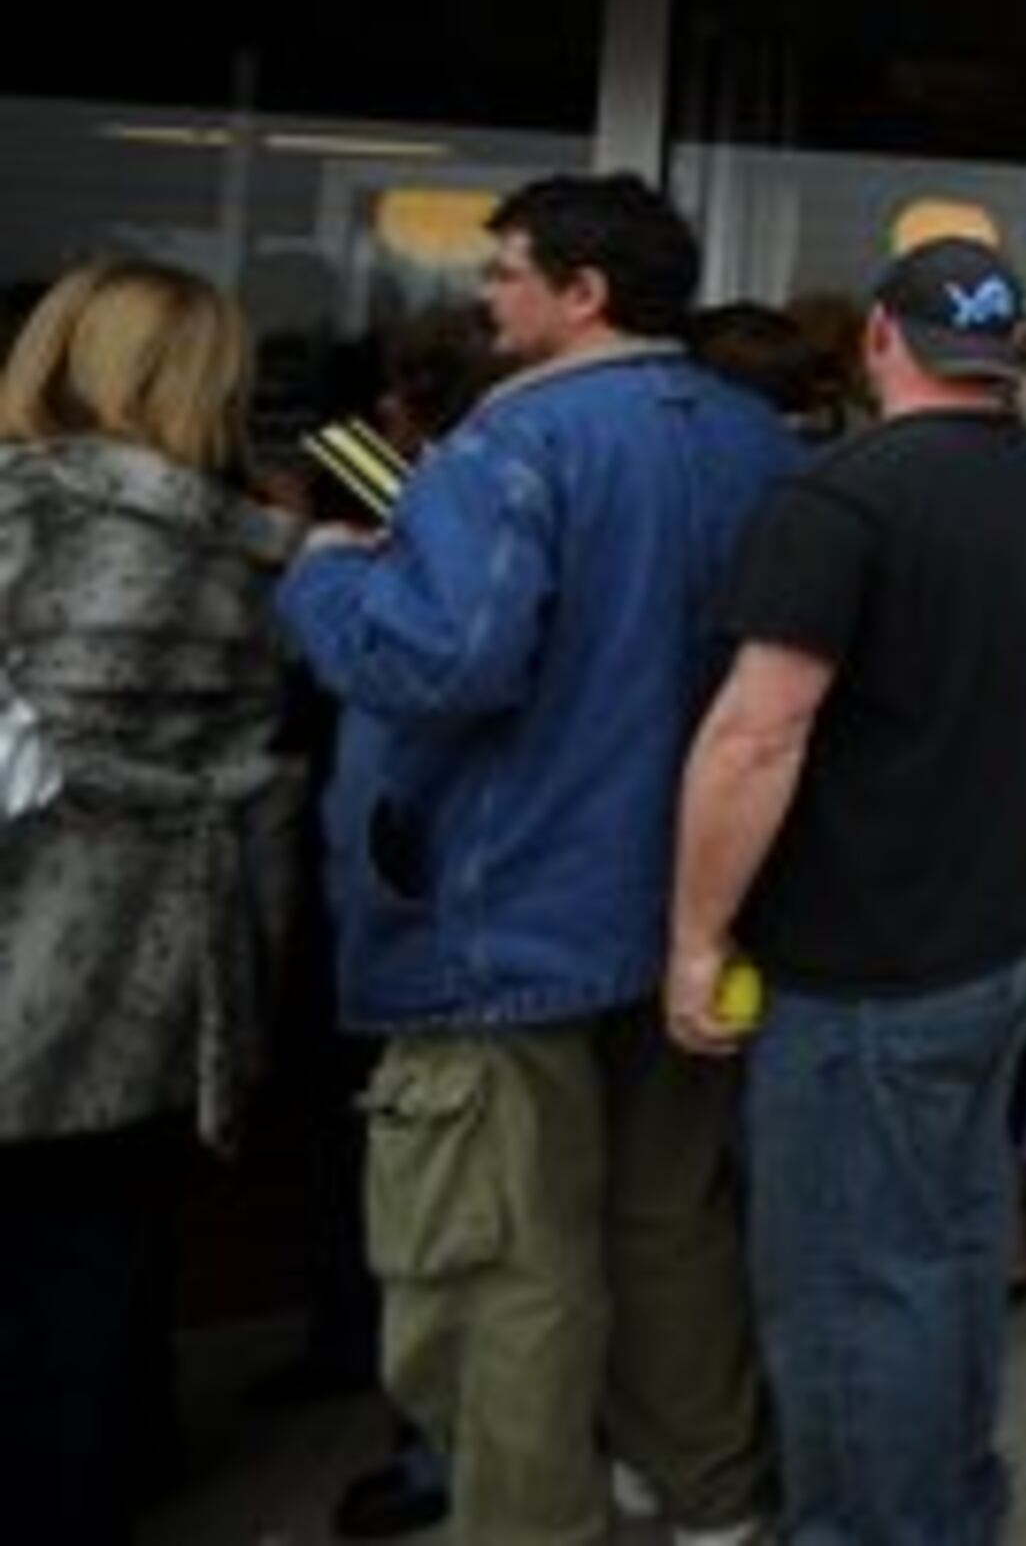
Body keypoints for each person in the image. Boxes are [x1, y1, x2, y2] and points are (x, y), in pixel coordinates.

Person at [279, 175, 788, 1546]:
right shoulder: (757, 441)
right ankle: (714, 1496)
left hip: (504, 911)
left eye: (506, 271)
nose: (483, 295)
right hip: (689, 905)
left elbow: (444, 658)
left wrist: (323, 571)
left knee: (497, 1265)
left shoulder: (513, 447)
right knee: (670, 1222)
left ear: (585, 293)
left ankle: (529, 1520)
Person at [665, 232, 1026, 1544]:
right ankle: (954, 1500)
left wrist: (694, 937)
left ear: (879, 341)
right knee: (953, 1252)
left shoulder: (846, 495)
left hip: (870, 968)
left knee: (853, 1287)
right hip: (999, 941)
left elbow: (757, 731)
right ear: (1005, 352)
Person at [0, 261, 300, 1546]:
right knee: (107, 1233)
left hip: (19, 929)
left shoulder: (21, 518)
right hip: (168, 947)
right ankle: (115, 1465)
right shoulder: (261, 552)